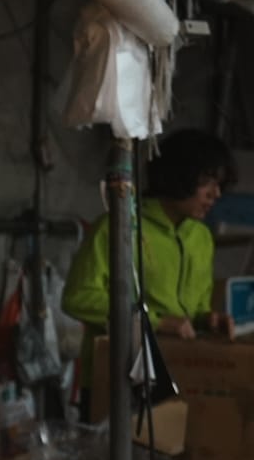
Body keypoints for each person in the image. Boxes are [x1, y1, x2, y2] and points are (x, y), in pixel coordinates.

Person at [63, 128, 236, 342]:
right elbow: (77, 298)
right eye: (207, 182)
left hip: (178, 362)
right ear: (178, 175)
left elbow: (195, 309)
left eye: (219, 184)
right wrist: (156, 323)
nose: (215, 194)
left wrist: (207, 319)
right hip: (120, 367)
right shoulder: (119, 228)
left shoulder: (201, 237)